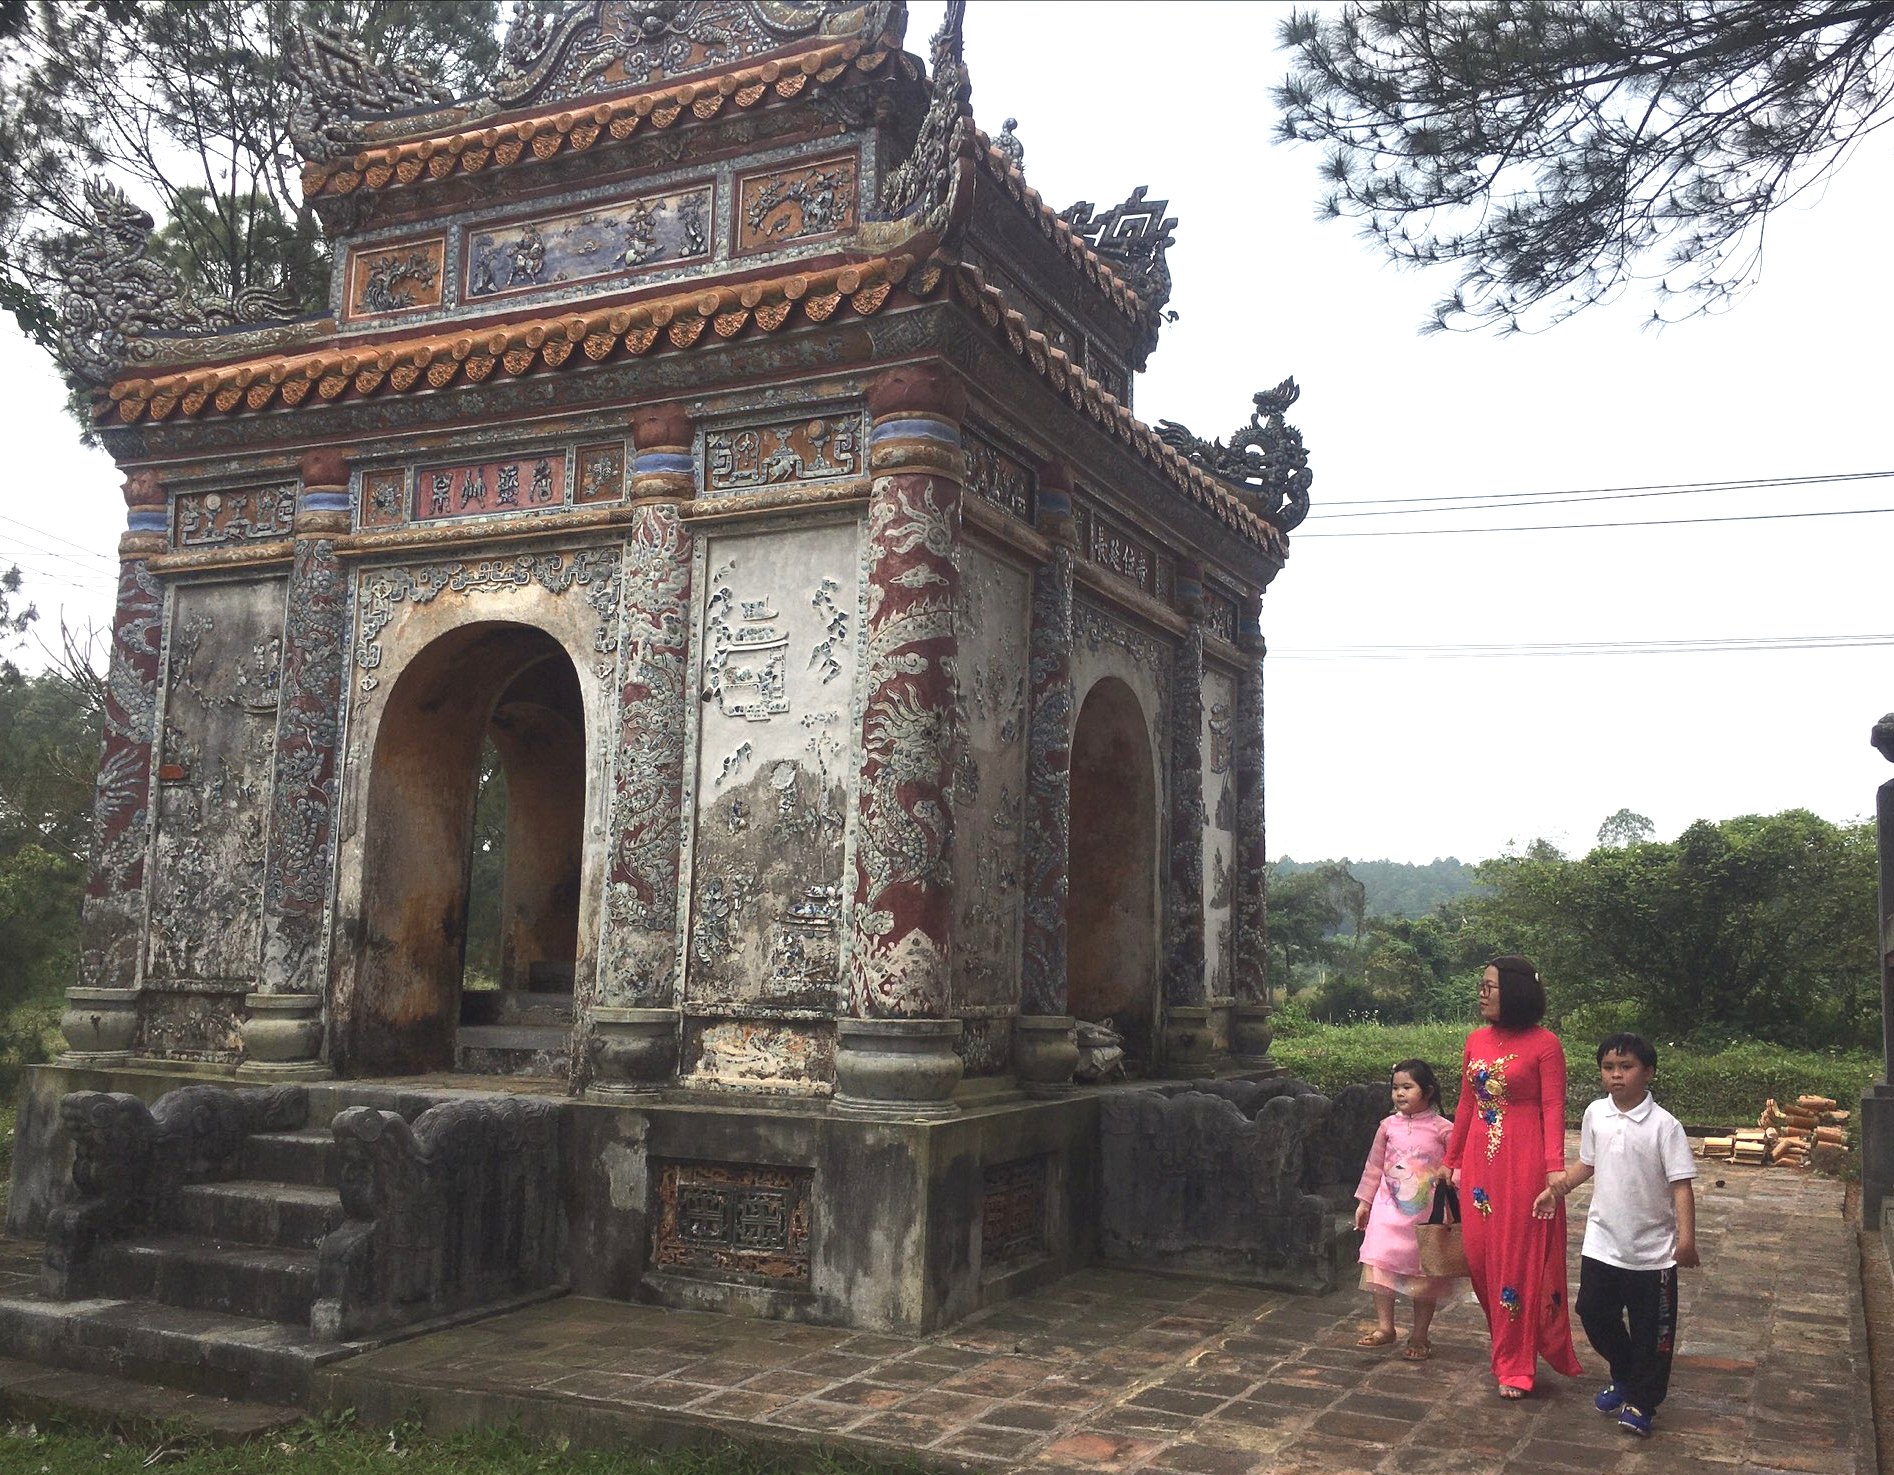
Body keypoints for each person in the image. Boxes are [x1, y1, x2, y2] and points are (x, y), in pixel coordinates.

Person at [1538, 1032, 1699, 1438]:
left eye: (1626, 1067)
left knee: (1653, 1334)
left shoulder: (1665, 1126)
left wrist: (1686, 1240)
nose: (1616, 1075)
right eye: (1608, 1067)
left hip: (1652, 1253)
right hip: (1602, 1242)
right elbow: (1588, 1164)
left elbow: (1681, 1186)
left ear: (1648, 1072)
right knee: (1592, 1312)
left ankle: (1643, 1402)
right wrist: (1556, 1190)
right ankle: (1625, 1374)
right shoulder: (1596, 1113)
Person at [1445, 954, 1584, 1398]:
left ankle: (1515, 1364)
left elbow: (1553, 1108)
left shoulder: (1546, 1044)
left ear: (1516, 991)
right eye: (1482, 986)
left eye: (1490, 986)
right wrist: (1451, 1158)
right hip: (1479, 1164)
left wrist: (1554, 1169)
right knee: (1480, 1258)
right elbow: (1466, 1103)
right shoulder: (1475, 1040)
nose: (1481, 993)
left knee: (1516, 1262)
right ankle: (1509, 1345)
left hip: (1524, 1161)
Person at [1352, 1058, 1460, 1359]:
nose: (1399, 1093)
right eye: (1395, 1087)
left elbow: (1459, 1165)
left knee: (1424, 1276)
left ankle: (1420, 1336)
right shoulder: (1387, 1126)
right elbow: (1374, 1167)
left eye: (1407, 1087)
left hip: (1426, 1217)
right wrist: (1364, 1202)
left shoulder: (1443, 1129)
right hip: (1387, 1212)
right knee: (1379, 1263)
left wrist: (1452, 1179)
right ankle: (1385, 1327)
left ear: (1428, 1091)